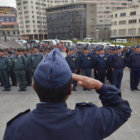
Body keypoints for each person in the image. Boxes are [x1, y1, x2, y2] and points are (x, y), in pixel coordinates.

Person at [4, 48, 132, 140]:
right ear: (70, 90)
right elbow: (122, 110)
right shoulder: (91, 120)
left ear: (34, 88)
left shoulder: (16, 127)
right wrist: (100, 86)